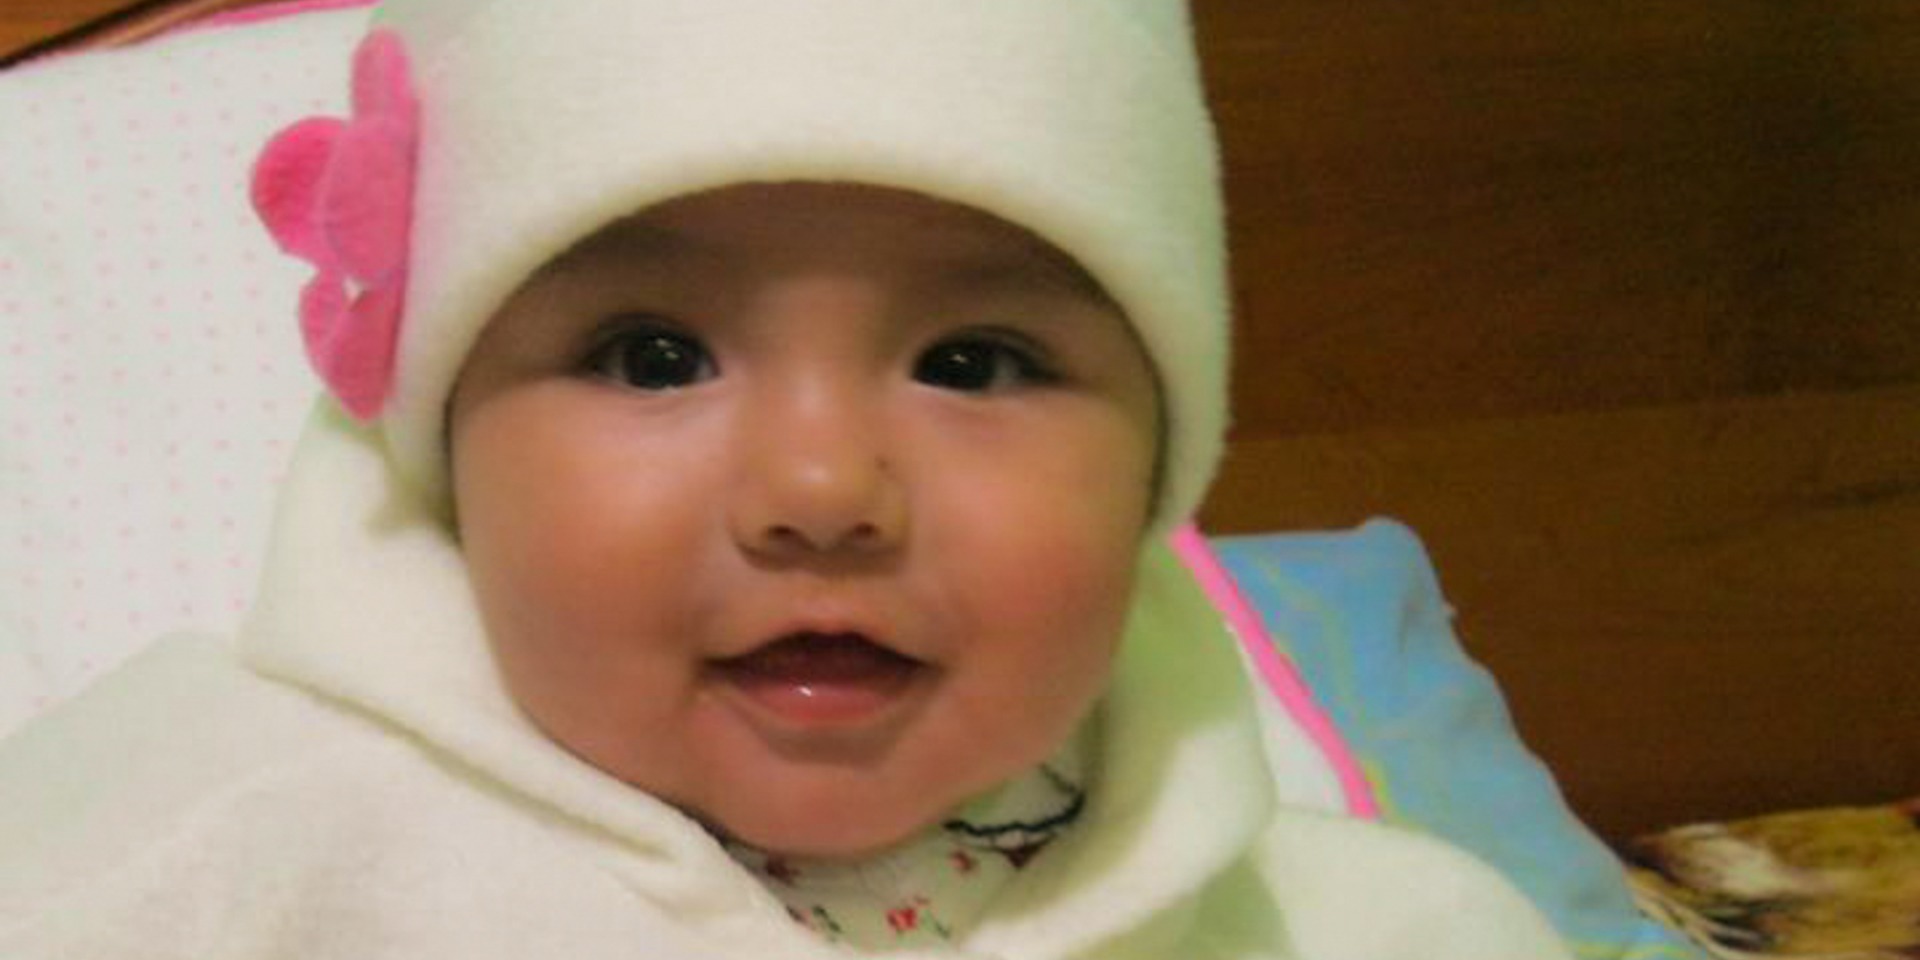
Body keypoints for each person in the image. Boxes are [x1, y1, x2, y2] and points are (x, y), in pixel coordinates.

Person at [0, 1, 1574, 957]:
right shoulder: (209, 842)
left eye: (974, 363)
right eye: (650, 356)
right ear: (446, 448)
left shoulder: (1349, 927)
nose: (821, 486)